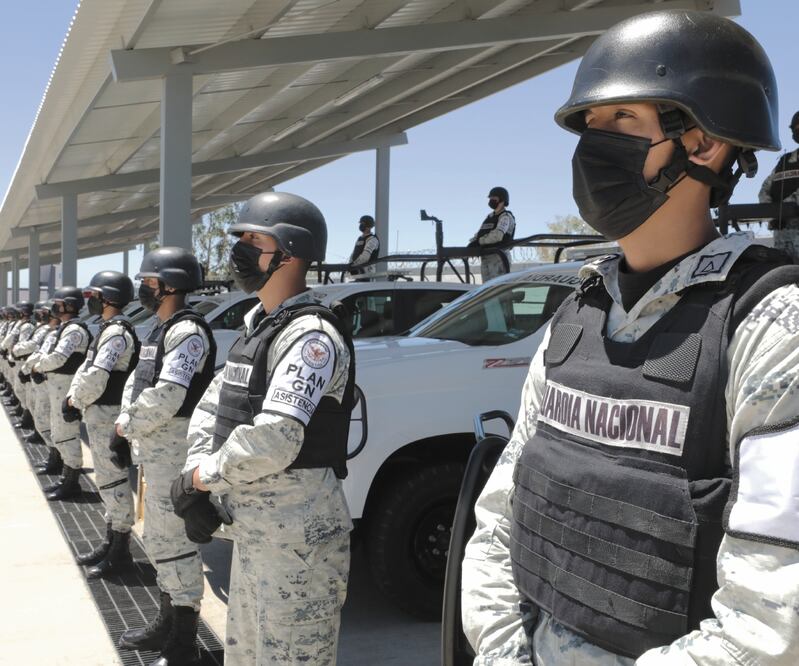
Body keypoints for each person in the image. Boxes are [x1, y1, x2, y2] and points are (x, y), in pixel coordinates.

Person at [461, 10, 799, 665]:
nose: (594, 146)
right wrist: (504, 652)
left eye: (622, 119)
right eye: (590, 123)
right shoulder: (580, 313)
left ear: (704, 144)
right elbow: (501, 517)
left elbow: (769, 621)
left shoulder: (770, 326)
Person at [173, 191, 355, 665]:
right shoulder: (259, 327)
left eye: (254, 240)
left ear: (290, 252)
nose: (239, 250)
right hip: (255, 538)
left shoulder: (311, 336)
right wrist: (196, 475)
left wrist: (200, 480)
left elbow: (275, 439)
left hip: (299, 547)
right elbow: (212, 408)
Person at [113, 247, 215, 666]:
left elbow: (169, 394)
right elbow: (138, 383)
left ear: (170, 284)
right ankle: (166, 622)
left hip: (173, 454)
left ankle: (184, 642)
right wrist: (125, 423)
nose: (143, 288)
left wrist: (125, 426)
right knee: (159, 541)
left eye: (149, 281)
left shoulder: (187, 332)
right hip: (154, 453)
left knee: (176, 545)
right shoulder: (160, 328)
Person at [67, 271, 138, 578]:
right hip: (100, 414)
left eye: (95, 296)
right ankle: (111, 542)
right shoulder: (107, 329)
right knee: (107, 482)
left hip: (109, 415)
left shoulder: (117, 333)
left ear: (108, 298)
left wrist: (74, 401)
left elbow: (97, 376)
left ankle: (120, 550)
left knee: (113, 481)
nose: (91, 301)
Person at [33, 287, 91, 501]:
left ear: (69, 305)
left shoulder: (74, 330)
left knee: (67, 434)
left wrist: (36, 367)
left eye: (58, 304)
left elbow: (58, 358)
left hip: (66, 387)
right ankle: (66, 477)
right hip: (57, 386)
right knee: (59, 433)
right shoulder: (66, 328)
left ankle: (71, 482)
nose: (54, 308)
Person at [26, 304, 62, 473]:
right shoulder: (51, 331)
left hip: (54, 383)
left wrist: (32, 368)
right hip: (46, 380)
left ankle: (58, 461)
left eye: (44, 312)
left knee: (51, 424)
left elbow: (47, 356)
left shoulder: (59, 332)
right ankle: (53, 456)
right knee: (44, 420)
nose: (42, 315)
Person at [15, 301, 56, 444]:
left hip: (45, 375)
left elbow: (38, 351)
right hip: (37, 371)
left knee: (44, 412)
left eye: (43, 312)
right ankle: (39, 434)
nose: (41, 315)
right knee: (36, 407)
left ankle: (51, 447)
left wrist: (26, 368)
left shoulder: (52, 331)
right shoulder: (47, 329)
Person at [759, 110, 799, 257]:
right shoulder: (785, 161)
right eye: (796, 128)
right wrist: (772, 215)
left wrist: (782, 210)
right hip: (783, 241)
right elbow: (765, 189)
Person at [468, 187, 516, 282]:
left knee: (498, 287)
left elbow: (497, 236)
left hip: (499, 258)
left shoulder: (505, 217)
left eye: (494, 198)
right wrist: (472, 243)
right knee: (487, 288)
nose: (491, 200)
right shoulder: (489, 217)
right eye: (490, 198)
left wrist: (479, 242)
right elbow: (480, 233)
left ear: (502, 200)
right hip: (486, 256)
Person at [348, 214, 380, 278]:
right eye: (360, 223)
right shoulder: (360, 238)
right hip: (357, 272)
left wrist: (353, 265)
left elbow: (365, 257)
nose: (360, 225)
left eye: (362, 223)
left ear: (368, 225)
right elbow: (354, 253)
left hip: (366, 273)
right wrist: (349, 264)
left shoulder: (373, 239)